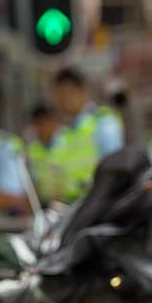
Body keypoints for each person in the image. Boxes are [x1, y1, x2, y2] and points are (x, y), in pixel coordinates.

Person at [50, 67, 124, 202]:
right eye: (58, 95)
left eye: (67, 94)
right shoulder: (63, 132)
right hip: (69, 208)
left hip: (97, 205)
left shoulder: (103, 122)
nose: (62, 101)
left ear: (82, 92)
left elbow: (115, 169)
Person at [25, 104, 63, 205]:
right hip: (43, 205)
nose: (41, 129)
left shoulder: (66, 144)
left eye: (44, 123)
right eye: (37, 125)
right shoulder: (32, 150)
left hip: (67, 203)